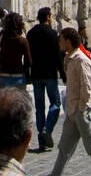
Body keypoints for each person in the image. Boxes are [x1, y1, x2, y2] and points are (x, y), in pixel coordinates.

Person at [37, 28, 91, 176]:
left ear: (68, 41)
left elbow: (86, 87)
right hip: (72, 111)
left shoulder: (81, 60)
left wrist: (81, 110)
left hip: (81, 111)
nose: (59, 43)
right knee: (64, 147)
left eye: (61, 39)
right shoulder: (70, 58)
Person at [27, 8, 65, 150]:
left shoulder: (31, 33)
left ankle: (42, 141)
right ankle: (47, 130)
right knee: (55, 103)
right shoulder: (52, 33)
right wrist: (63, 73)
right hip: (49, 74)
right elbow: (58, 56)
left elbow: (28, 55)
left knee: (39, 107)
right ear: (48, 17)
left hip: (36, 74)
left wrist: (27, 74)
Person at [0, 11, 32, 89]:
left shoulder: (1, 39)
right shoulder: (23, 41)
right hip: (18, 74)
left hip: (4, 73)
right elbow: (28, 62)